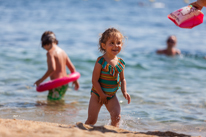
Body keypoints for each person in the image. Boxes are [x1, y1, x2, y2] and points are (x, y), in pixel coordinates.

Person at [85, 28, 131, 127]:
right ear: (103, 45)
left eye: (118, 43)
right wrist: (101, 94)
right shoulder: (101, 61)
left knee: (116, 117)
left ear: (121, 45)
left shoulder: (121, 63)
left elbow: (122, 79)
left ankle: (112, 132)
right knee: (92, 120)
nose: (115, 46)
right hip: (97, 94)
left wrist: (124, 91)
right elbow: (94, 80)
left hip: (111, 95)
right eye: (112, 43)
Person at [34, 31, 79, 101]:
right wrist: (75, 81)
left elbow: (52, 69)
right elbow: (72, 68)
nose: (44, 48)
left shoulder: (50, 53)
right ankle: (61, 111)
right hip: (65, 83)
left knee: (51, 102)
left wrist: (40, 80)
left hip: (57, 84)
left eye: (43, 46)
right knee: (58, 101)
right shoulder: (62, 51)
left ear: (45, 43)